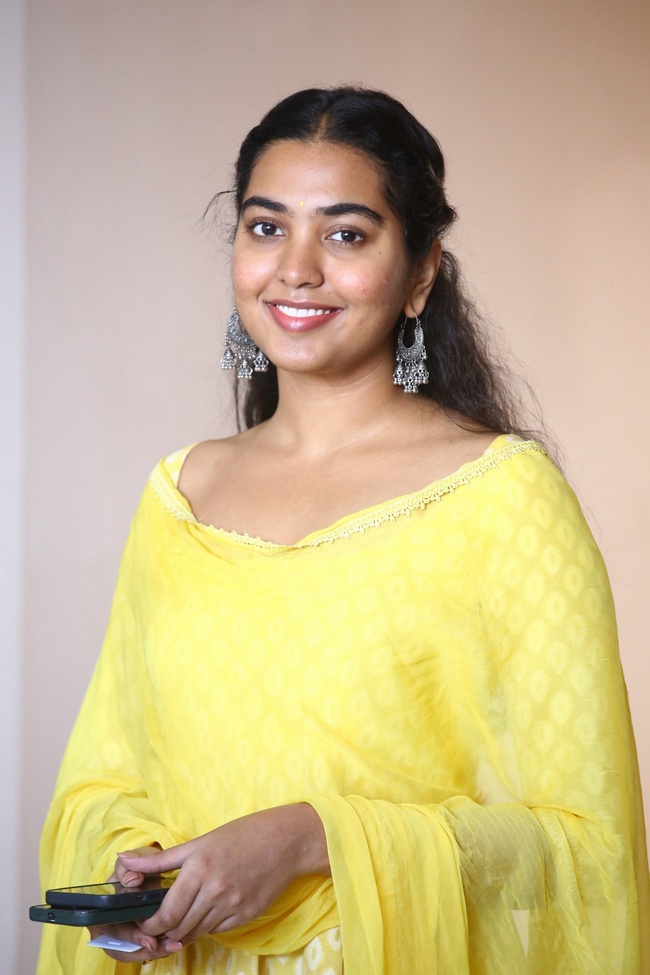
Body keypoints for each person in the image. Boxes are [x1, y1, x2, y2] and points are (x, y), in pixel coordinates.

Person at [37, 86, 649, 974]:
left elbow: (589, 847)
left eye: (347, 234)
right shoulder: (179, 495)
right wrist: (147, 872)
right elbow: (104, 779)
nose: (296, 269)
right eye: (266, 226)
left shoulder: (501, 497)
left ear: (422, 272)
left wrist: (311, 838)